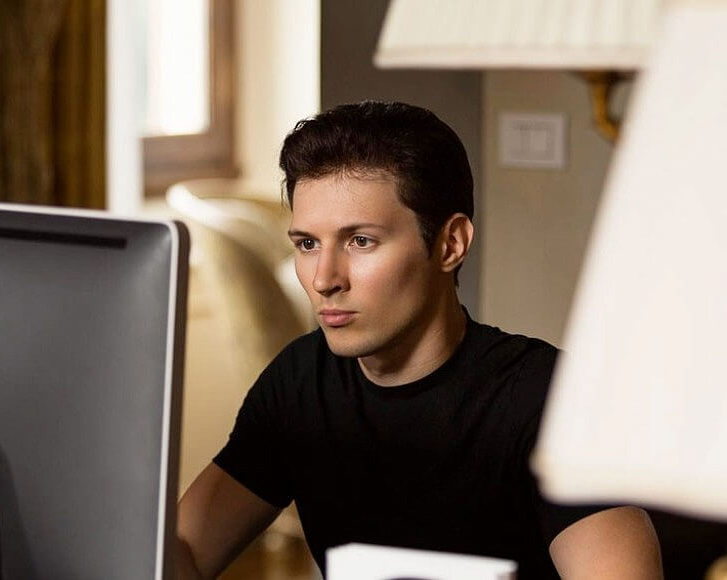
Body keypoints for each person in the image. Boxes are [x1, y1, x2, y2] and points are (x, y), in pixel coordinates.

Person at [176, 101, 662, 579]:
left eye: (360, 241)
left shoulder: (547, 400)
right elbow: (181, 556)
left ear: (450, 244)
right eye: (307, 244)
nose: (324, 279)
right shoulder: (301, 382)